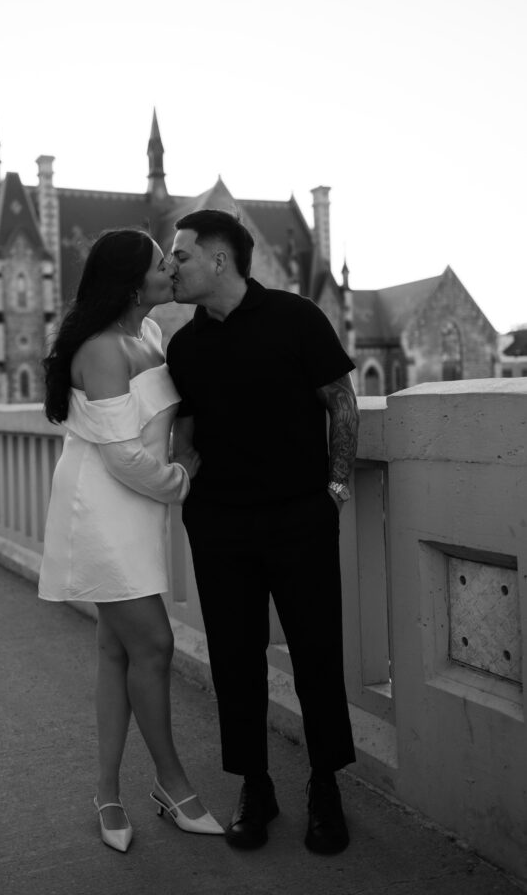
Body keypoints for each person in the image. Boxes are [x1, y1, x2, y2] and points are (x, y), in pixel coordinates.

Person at [166, 210, 359, 855]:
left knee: (315, 655)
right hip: (219, 527)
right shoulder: (183, 346)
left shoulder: (298, 318)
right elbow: (185, 432)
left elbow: (341, 400)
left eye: (182, 256)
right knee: (234, 662)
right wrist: (184, 485)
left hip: (300, 519)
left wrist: (334, 488)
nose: (172, 266)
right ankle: (257, 785)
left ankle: (326, 787)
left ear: (219, 260)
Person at [38, 228, 224, 853]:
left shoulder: (148, 335)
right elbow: (121, 457)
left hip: (140, 510)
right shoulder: (99, 348)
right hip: (103, 507)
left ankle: (107, 792)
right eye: (157, 264)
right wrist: (183, 478)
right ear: (129, 282)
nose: (169, 268)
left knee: (117, 652)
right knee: (155, 644)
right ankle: (172, 784)